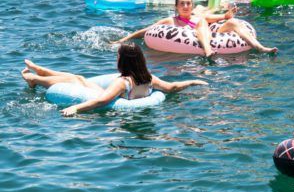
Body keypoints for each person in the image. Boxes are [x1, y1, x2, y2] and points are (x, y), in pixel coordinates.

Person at [20, 43, 207, 117]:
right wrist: (192, 82)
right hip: (121, 98)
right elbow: (172, 87)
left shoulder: (123, 82)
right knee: (78, 77)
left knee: (75, 80)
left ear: (123, 60)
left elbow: (102, 100)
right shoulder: (149, 79)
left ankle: (35, 79)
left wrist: (75, 108)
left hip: (103, 95)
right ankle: (40, 71)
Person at [115, 0, 277, 55]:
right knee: (201, 24)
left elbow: (220, 18)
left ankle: (260, 47)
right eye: (182, 4)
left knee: (233, 22)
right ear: (176, 7)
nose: (186, 6)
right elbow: (146, 31)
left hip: (214, 35)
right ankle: (207, 51)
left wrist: (227, 15)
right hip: (197, 40)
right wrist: (122, 41)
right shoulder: (171, 21)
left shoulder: (198, 15)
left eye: (188, 3)